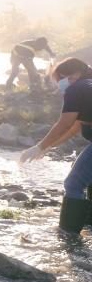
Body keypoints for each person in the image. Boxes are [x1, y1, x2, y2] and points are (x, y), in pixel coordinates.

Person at [19, 57, 92, 232]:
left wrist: (40, 146)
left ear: (75, 74)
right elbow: (75, 127)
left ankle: (69, 237)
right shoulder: (87, 86)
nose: (59, 83)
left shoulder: (77, 88)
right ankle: (88, 226)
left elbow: (64, 123)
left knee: (74, 184)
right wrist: (49, 146)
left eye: (60, 78)